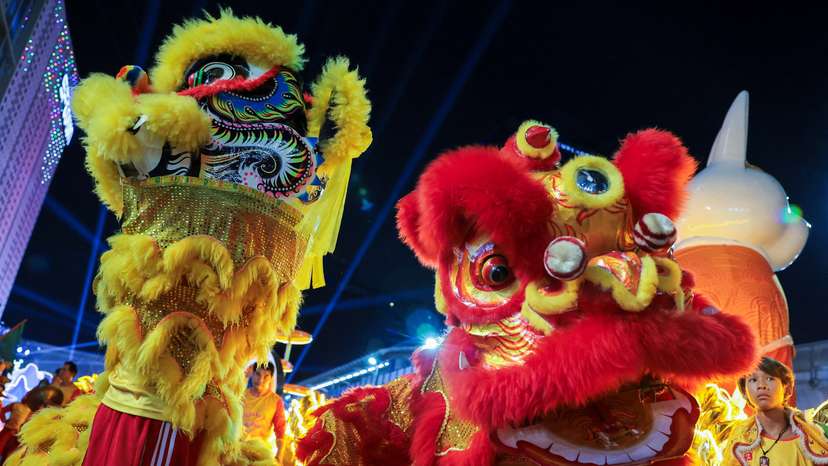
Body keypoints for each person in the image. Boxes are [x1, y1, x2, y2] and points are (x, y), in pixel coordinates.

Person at [723, 357, 828, 465]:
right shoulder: (739, 437)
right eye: (753, 380)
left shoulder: (812, 437)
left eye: (770, 379)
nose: (761, 386)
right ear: (745, 392)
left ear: (786, 388)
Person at [0, 385, 63, 460]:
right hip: (11, 433)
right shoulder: (19, 406)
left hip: (23, 441)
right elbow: (3, 411)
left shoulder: (43, 415)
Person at [242, 362, 286, 449]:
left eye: (266, 376)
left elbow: (280, 430)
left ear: (271, 378)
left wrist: (279, 454)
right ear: (252, 374)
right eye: (258, 374)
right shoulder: (241, 395)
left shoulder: (276, 401)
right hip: (237, 449)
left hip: (260, 452)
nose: (260, 380)